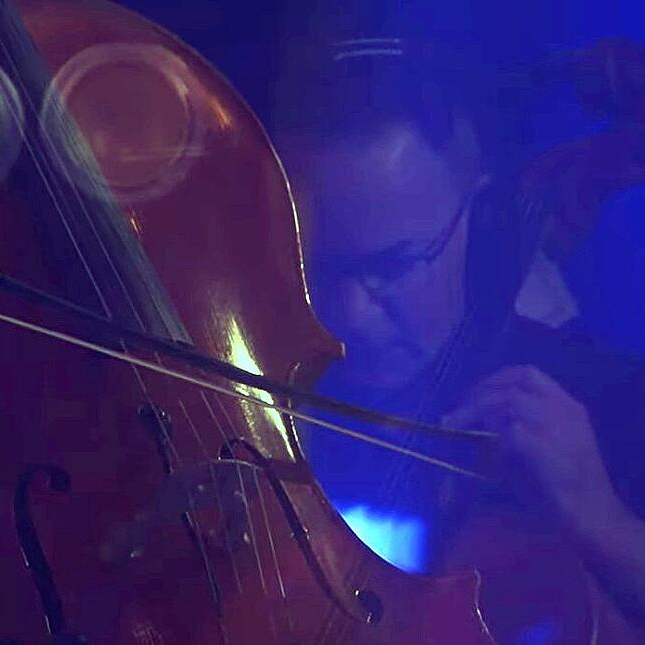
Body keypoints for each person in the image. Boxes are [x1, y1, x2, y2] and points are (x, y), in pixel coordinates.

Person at [274, 38, 645, 631]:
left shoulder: (607, 405)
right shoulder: (254, 398)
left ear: (480, 216)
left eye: (393, 266)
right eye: (316, 265)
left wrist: (605, 522)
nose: (348, 314)